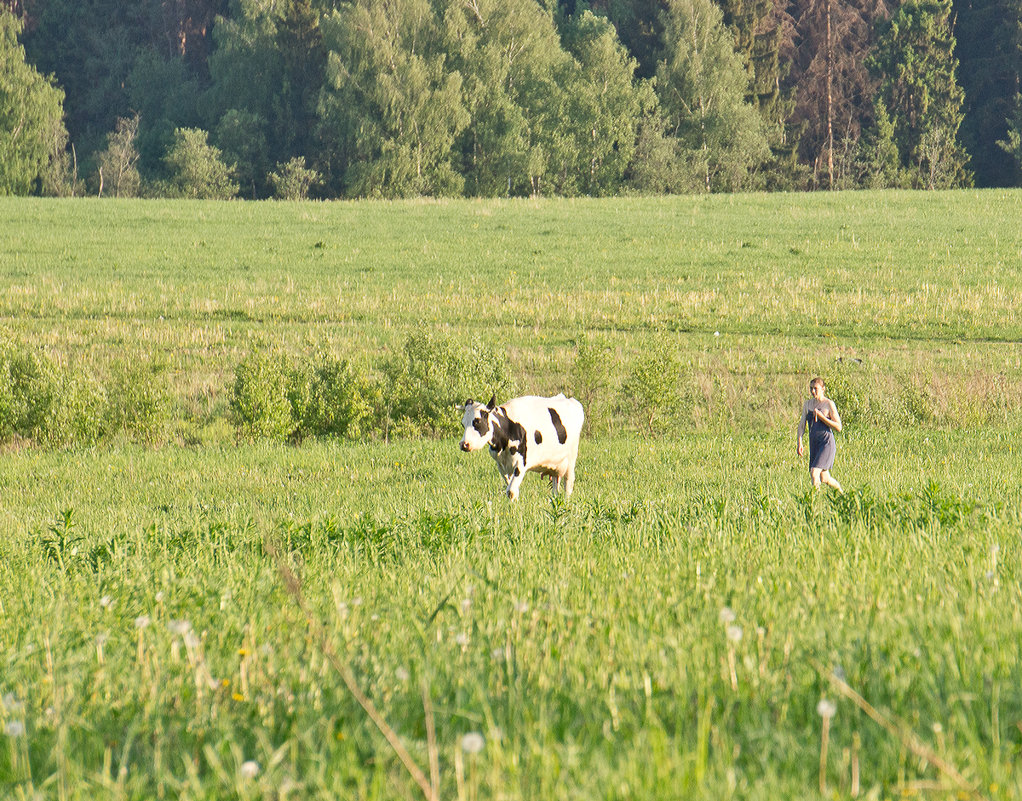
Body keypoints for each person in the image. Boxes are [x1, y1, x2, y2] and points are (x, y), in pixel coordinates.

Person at [797, 377, 843, 491]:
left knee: (814, 472)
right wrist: (799, 442)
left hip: (826, 443)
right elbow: (802, 425)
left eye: (815, 389)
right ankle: (842, 494)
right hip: (814, 444)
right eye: (811, 388)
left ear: (823, 389)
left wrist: (822, 417)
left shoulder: (828, 404)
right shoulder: (808, 405)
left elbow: (839, 427)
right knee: (825, 478)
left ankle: (815, 502)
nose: (813, 391)